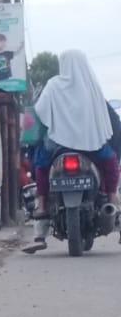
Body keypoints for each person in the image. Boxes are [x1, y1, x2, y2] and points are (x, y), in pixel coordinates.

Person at [23, 49, 120, 252]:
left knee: (41, 167)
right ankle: (112, 200)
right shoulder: (91, 87)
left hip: (58, 144)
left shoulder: (54, 85)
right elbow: (107, 118)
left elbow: (39, 111)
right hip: (90, 144)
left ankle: (41, 207)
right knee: (111, 163)